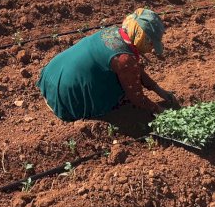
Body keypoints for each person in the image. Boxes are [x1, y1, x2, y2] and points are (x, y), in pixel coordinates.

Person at [37, 8, 177, 122]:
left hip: (51, 77)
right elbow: (137, 97)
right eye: (151, 43)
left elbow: (135, 70)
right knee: (121, 93)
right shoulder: (125, 60)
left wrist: (158, 90)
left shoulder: (114, 32)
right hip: (66, 99)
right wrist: (159, 110)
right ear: (142, 39)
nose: (152, 49)